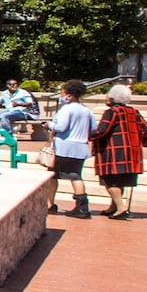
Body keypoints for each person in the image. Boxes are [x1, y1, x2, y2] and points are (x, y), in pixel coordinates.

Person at [90, 83, 147, 219]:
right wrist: (140, 143)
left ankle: (121, 207)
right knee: (120, 181)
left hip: (113, 151)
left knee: (109, 181)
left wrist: (87, 135)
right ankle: (114, 206)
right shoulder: (134, 112)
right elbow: (146, 129)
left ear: (112, 99)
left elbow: (102, 130)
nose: (106, 98)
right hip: (131, 153)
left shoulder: (112, 112)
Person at [46, 79, 96, 218]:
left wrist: (48, 125)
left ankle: (50, 204)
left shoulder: (66, 109)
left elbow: (61, 127)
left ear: (69, 94)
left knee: (53, 175)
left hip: (64, 147)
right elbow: (93, 129)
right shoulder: (86, 110)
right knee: (76, 176)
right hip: (81, 147)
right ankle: (82, 206)